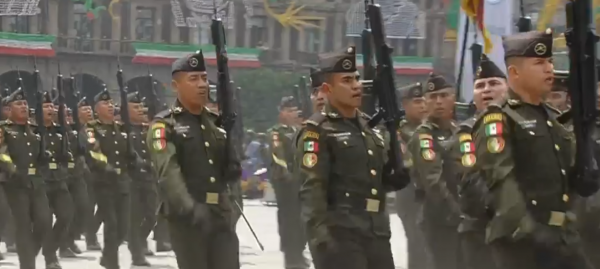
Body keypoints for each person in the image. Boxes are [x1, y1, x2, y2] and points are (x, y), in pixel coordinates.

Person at [473, 28, 598, 269]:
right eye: (539, 63)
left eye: (550, 62)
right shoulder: (498, 118)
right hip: (523, 242)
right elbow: (501, 179)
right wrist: (525, 228)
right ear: (515, 72)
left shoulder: (553, 118)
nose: (549, 69)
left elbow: (563, 174)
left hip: (562, 235)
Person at [296, 46, 409, 269]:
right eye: (347, 80)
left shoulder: (370, 127)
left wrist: (397, 173)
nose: (356, 86)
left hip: (376, 232)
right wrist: (320, 239)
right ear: (328, 89)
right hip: (341, 234)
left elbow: (375, 180)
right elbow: (312, 190)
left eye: (357, 79)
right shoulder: (317, 130)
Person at [147, 51, 241, 269]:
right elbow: (168, 172)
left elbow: (232, 172)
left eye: (204, 79)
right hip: (187, 219)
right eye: (193, 79)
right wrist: (190, 208)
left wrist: (234, 203)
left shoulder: (216, 123)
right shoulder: (164, 126)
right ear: (175, 86)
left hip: (220, 215)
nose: (202, 85)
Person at [455, 54, 507, 269]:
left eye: (494, 83)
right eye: (480, 85)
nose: (486, 90)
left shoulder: (523, 123)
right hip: (481, 228)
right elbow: (471, 179)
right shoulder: (466, 131)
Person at [407, 72, 462, 269]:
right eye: (432, 97)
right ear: (426, 102)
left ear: (453, 98)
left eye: (444, 96)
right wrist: (459, 214)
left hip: (463, 218)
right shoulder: (424, 137)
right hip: (441, 220)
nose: (438, 101)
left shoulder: (458, 132)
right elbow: (433, 182)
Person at [80, 89, 135, 269]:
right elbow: (94, 152)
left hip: (123, 183)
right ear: (96, 109)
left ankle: (106, 256)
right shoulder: (91, 129)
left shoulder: (121, 128)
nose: (110, 106)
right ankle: (113, 263)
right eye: (105, 103)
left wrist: (139, 164)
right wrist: (106, 166)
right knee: (111, 224)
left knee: (123, 227)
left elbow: (130, 153)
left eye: (111, 103)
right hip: (103, 182)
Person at [0, 88, 52, 269]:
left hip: (36, 182)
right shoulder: (3, 130)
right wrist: (13, 169)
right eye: (18, 104)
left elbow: (40, 157)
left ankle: (30, 254)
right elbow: (2, 155)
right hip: (15, 183)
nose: (23, 106)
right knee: (23, 226)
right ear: (9, 108)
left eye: (25, 103)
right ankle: (28, 264)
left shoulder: (36, 130)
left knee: (44, 221)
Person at [268, 96, 308, 269]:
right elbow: (278, 156)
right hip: (285, 183)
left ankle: (299, 251)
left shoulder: (301, 130)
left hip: (301, 181)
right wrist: (288, 176)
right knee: (289, 220)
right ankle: (291, 256)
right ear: (281, 112)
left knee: (302, 220)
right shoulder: (277, 132)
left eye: (295, 111)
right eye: (289, 111)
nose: (293, 114)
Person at [395, 82, 430, 269]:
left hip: (432, 193)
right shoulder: (398, 133)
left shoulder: (432, 129)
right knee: (417, 242)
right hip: (410, 194)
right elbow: (407, 164)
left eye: (424, 100)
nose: (423, 105)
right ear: (405, 105)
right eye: (417, 101)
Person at [39, 92, 75, 269]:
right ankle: (50, 257)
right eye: (46, 106)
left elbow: (68, 154)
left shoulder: (61, 131)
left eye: (51, 106)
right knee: (44, 221)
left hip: (59, 180)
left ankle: (50, 249)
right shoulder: (32, 130)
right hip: (40, 182)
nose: (50, 109)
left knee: (66, 215)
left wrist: (65, 167)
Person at [126, 91, 156, 266]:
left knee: (153, 216)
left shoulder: (148, 130)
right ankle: (137, 254)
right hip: (132, 180)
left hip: (149, 179)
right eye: (135, 107)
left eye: (141, 107)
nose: (140, 110)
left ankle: (138, 240)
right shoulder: (121, 130)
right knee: (134, 218)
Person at [60, 106, 89, 257]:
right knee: (65, 212)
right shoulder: (54, 130)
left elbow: (84, 148)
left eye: (70, 113)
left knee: (84, 208)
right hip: (59, 176)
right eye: (66, 113)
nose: (69, 116)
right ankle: (62, 244)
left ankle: (70, 238)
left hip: (77, 175)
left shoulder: (78, 129)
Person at [78, 96, 103, 251]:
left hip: (97, 172)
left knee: (102, 206)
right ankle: (89, 237)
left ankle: (90, 234)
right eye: (84, 109)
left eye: (89, 109)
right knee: (87, 207)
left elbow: (95, 148)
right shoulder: (75, 129)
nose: (89, 111)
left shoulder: (90, 130)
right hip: (83, 173)